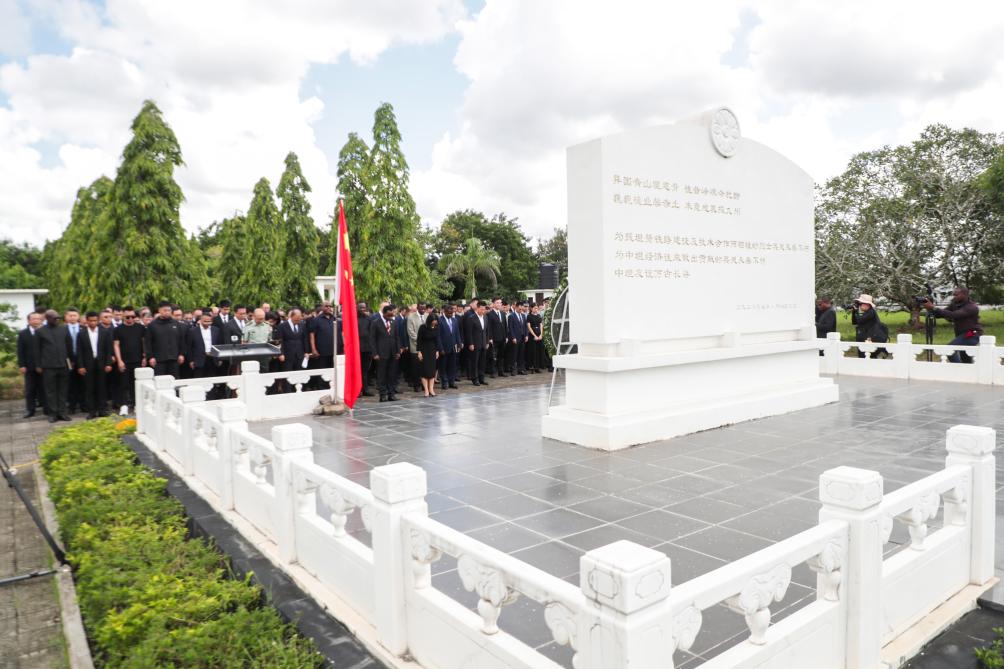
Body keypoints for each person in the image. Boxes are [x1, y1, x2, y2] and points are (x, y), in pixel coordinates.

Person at [923, 287, 983, 363]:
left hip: (972, 334)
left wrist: (934, 308)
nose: (954, 297)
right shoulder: (955, 304)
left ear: (964, 295)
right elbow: (943, 313)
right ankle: (965, 370)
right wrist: (930, 309)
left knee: (950, 349)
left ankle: (958, 368)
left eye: (956, 295)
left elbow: (954, 315)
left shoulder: (971, 307)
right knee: (966, 360)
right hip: (961, 335)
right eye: (953, 295)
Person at [33, 310, 72, 423]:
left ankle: (62, 412)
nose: (57, 320)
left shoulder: (64, 329)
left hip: (63, 365)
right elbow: (37, 350)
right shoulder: (40, 331)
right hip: (48, 366)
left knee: (63, 390)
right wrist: (38, 365)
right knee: (50, 391)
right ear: (47, 318)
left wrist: (71, 361)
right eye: (54, 318)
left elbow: (69, 346)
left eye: (58, 318)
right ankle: (53, 413)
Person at [76, 311, 115, 418]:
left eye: (95, 320)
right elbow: (79, 351)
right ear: (87, 321)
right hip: (88, 364)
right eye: (91, 321)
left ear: (98, 321)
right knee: (89, 388)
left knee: (102, 387)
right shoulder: (81, 334)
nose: (93, 323)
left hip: (101, 363)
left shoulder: (104, 332)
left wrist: (108, 363)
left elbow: (108, 349)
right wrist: (80, 366)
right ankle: (92, 411)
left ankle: (102, 410)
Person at [113, 306, 146, 415]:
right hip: (124, 360)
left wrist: (145, 357)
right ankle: (124, 405)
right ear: (123, 316)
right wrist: (119, 360)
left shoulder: (141, 328)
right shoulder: (118, 329)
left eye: (133, 316)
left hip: (138, 360)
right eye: (127, 317)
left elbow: (144, 343)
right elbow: (116, 345)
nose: (130, 319)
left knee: (136, 383)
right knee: (123, 383)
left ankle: (136, 404)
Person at [186, 311, 224, 395]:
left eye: (209, 321)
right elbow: (189, 347)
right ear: (200, 320)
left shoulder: (216, 330)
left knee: (212, 379)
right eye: (205, 321)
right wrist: (191, 360)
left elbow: (219, 345)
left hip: (213, 358)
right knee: (199, 379)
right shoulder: (192, 331)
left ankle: (211, 396)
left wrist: (220, 358)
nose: (207, 323)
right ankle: (198, 395)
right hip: (198, 359)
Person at [17, 312, 46, 418]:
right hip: (29, 366)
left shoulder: (45, 332)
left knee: (44, 388)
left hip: (44, 366)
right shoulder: (23, 333)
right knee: (30, 389)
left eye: (38, 319)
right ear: (29, 321)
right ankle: (30, 410)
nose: (36, 321)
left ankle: (47, 408)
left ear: (41, 320)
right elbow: (20, 351)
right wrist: (22, 365)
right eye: (33, 319)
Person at [146, 300, 186, 376]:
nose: (167, 312)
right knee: (160, 380)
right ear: (159, 310)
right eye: (165, 310)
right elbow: (148, 342)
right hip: (159, 360)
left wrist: (181, 354)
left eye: (169, 310)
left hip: (174, 359)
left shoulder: (176, 323)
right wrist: (150, 357)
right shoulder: (152, 325)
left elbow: (181, 340)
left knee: (174, 379)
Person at [371, 304, 401, 402]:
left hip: (393, 353)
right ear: (383, 314)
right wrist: (375, 353)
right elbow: (372, 339)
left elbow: (397, 337)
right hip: (381, 353)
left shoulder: (394, 322)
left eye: (391, 315)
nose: (390, 317)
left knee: (392, 375)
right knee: (382, 375)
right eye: (388, 315)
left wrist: (398, 351)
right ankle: (383, 395)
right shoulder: (376, 323)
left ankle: (391, 394)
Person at [850, 294, 888, 359]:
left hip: (870, 339)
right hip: (864, 339)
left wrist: (856, 311)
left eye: (860, 304)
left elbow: (860, 320)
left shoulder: (871, 312)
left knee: (868, 358)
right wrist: (854, 312)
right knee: (863, 358)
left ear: (867, 304)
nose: (859, 305)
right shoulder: (866, 312)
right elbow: (854, 322)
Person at [308, 301, 335, 389]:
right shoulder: (316, 320)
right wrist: (313, 349)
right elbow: (312, 335)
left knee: (332, 371)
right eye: (326, 306)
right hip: (321, 351)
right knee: (322, 371)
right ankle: (321, 389)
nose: (329, 307)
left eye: (330, 306)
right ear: (322, 307)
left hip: (334, 350)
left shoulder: (334, 319)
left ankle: (330, 389)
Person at [463, 300, 489, 386]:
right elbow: (469, 332)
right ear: (477, 308)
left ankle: (482, 378)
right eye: (481, 309)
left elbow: (487, 331)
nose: (483, 311)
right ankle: (475, 379)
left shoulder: (485, 317)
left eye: (484, 309)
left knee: (482, 362)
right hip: (475, 343)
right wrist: (470, 343)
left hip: (483, 342)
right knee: (475, 362)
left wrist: (487, 341)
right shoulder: (471, 318)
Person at [416, 313, 441, 397]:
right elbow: (419, 340)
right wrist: (419, 352)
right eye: (433, 321)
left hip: (433, 350)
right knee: (425, 371)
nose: (435, 323)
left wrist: (437, 351)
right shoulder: (423, 327)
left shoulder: (437, 328)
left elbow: (437, 340)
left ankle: (431, 389)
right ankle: (426, 390)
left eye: (436, 321)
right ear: (430, 320)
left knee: (432, 371)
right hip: (424, 350)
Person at [438, 304, 462, 390]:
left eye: (452, 313)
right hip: (444, 347)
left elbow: (457, 333)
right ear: (444, 312)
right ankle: (444, 382)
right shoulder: (440, 320)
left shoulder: (454, 320)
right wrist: (440, 348)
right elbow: (438, 336)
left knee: (452, 365)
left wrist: (459, 343)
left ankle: (451, 382)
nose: (450, 315)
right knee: (443, 366)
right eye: (449, 313)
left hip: (453, 346)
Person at [277, 308, 307, 373]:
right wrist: (281, 354)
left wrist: (306, 352)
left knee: (299, 374)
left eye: (300, 318)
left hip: (300, 354)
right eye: (297, 318)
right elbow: (280, 341)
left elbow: (304, 339)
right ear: (291, 316)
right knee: (287, 374)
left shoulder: (302, 324)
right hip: (287, 355)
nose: (298, 320)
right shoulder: (282, 326)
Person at [64, 307, 83, 413]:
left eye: (74, 315)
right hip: (68, 360)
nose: (72, 317)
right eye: (70, 315)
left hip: (82, 359)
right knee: (71, 383)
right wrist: (68, 359)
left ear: (78, 316)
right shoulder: (62, 329)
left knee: (83, 382)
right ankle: (72, 406)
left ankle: (83, 404)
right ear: (66, 317)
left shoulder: (84, 328)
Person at [486, 298, 507, 377]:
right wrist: (490, 338)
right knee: (493, 356)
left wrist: (506, 336)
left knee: (501, 356)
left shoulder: (503, 313)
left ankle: (501, 371)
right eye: (497, 303)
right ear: (494, 304)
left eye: (500, 303)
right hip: (494, 339)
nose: (499, 304)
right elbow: (489, 327)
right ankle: (493, 372)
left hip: (502, 338)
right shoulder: (489, 314)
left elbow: (505, 326)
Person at [357, 303, 374, 396]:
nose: (363, 309)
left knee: (365, 371)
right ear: (357, 308)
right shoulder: (353, 318)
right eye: (361, 307)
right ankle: (358, 390)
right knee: (357, 370)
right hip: (357, 349)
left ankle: (365, 389)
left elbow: (372, 334)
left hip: (367, 348)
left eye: (364, 307)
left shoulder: (369, 319)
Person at [507, 302, 528, 375]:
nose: (520, 310)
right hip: (515, 338)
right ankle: (513, 370)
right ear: (516, 307)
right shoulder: (511, 316)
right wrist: (513, 337)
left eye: (521, 309)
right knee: (514, 354)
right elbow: (510, 328)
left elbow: (525, 327)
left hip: (522, 337)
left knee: (521, 354)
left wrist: (526, 335)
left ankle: (520, 369)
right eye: (519, 308)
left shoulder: (523, 315)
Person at [526, 304, 544, 373]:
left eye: (537, 308)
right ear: (531, 308)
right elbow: (529, 327)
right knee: (533, 351)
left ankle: (537, 367)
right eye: (535, 308)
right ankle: (532, 367)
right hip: (532, 335)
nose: (536, 309)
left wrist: (541, 334)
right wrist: (534, 335)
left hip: (539, 334)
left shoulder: (539, 316)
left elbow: (541, 325)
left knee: (539, 351)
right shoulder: (529, 316)